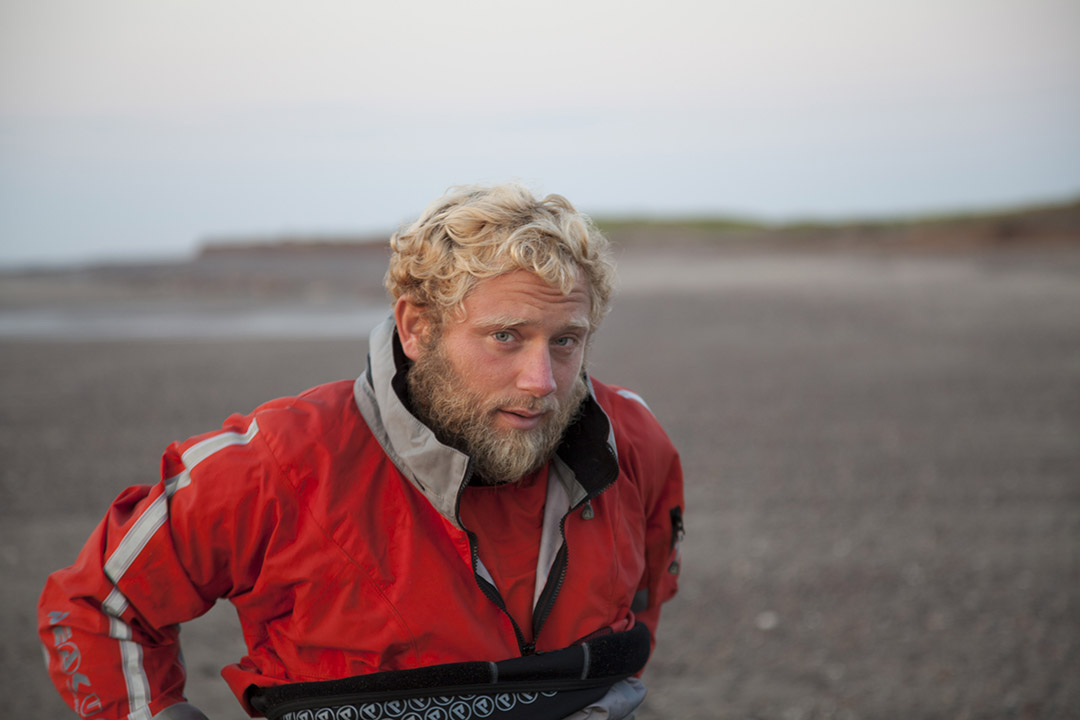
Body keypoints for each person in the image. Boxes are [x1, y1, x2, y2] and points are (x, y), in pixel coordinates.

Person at [38, 183, 685, 720]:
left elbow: (647, 596)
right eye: (506, 337)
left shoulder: (632, 443)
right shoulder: (283, 462)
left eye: (566, 341)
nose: (541, 381)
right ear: (415, 326)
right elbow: (98, 603)